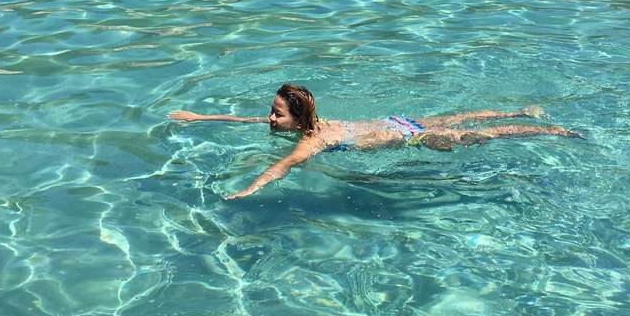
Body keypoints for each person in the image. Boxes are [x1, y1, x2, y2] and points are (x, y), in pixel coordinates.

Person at [169, 83, 583, 200]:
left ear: (299, 120)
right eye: (273, 110)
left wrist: (249, 189)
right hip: (394, 121)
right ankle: (522, 111)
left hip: (409, 136)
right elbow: (243, 118)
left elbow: (283, 166)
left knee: (473, 135)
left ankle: (552, 132)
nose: (271, 118)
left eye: (278, 113)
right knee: (458, 118)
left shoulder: (310, 142)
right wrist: (199, 117)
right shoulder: (312, 123)